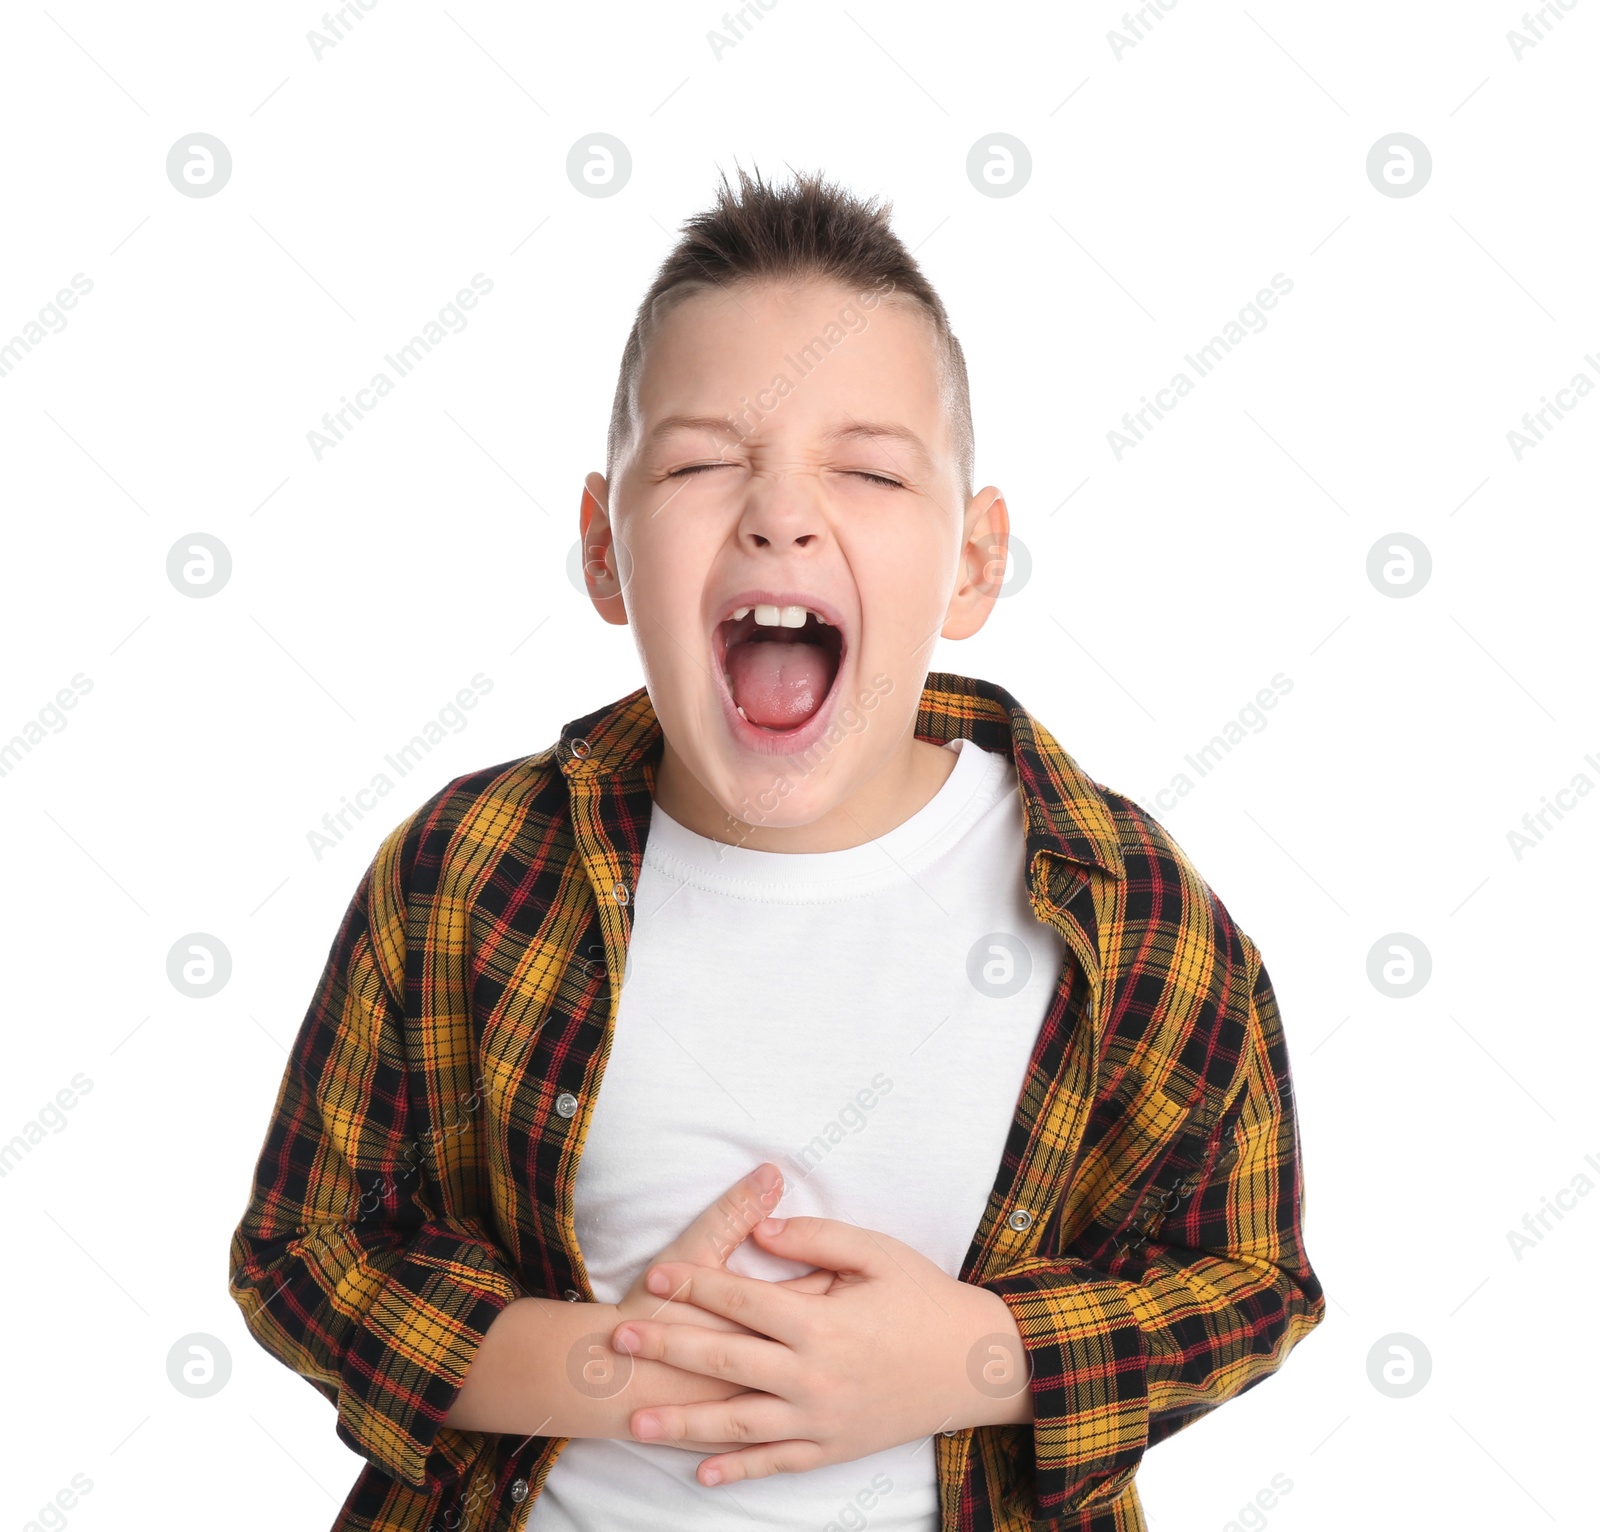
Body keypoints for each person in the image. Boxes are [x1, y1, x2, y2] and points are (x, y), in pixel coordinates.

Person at [227, 165, 1324, 1532]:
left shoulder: (1131, 906)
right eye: (697, 464)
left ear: (974, 563)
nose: (779, 513)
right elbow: (307, 1252)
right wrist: (606, 1369)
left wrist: (975, 1358)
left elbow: (1244, 1278)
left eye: (866, 469)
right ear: (603, 548)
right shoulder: (464, 869)